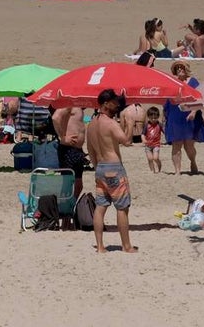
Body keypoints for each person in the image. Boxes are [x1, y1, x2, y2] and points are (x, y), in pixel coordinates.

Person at [87, 89, 136, 253]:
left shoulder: (92, 124)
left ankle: (100, 246)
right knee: (122, 208)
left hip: (100, 167)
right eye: (114, 102)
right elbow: (127, 141)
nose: (117, 104)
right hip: (114, 167)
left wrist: (97, 167)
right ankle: (126, 246)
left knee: (100, 207)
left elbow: (90, 150)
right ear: (106, 104)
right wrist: (129, 124)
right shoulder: (110, 123)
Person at [164, 60, 204, 174]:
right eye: (177, 68)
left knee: (189, 145)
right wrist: (164, 115)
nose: (179, 69)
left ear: (186, 69)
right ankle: (177, 171)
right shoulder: (172, 82)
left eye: (181, 67)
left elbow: (199, 98)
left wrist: (194, 112)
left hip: (190, 116)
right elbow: (166, 100)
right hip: (175, 115)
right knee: (176, 144)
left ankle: (193, 161)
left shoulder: (193, 82)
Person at [53, 104, 87, 196]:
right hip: (68, 149)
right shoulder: (69, 103)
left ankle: (71, 206)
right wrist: (63, 137)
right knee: (67, 184)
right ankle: (65, 207)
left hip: (77, 150)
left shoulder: (76, 104)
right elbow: (55, 117)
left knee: (78, 185)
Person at [143, 106, 163, 173]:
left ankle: (159, 165)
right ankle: (152, 170)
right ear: (148, 117)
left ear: (158, 117)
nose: (153, 119)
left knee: (155, 158)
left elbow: (165, 132)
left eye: (155, 118)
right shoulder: (146, 125)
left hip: (156, 144)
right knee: (150, 159)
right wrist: (143, 139)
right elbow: (143, 134)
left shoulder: (159, 124)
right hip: (148, 145)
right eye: (152, 118)